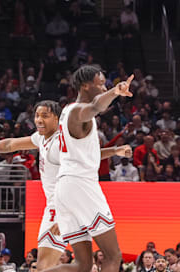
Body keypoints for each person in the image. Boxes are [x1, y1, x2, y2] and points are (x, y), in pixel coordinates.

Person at [0, 101, 130, 271]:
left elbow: (88, 159)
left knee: (66, 264)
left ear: (57, 119)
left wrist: (64, 214)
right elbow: (10, 144)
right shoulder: (41, 137)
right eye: (37, 115)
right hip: (56, 206)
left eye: (45, 116)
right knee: (57, 266)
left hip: (62, 205)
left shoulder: (60, 143)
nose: (39, 119)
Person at [40, 66, 134, 272]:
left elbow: (86, 155)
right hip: (81, 185)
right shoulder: (78, 111)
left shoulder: (66, 112)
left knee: (82, 265)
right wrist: (115, 92)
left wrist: (115, 150)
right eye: (100, 84)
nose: (104, 87)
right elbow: (95, 106)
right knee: (113, 255)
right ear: (85, 86)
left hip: (66, 187)